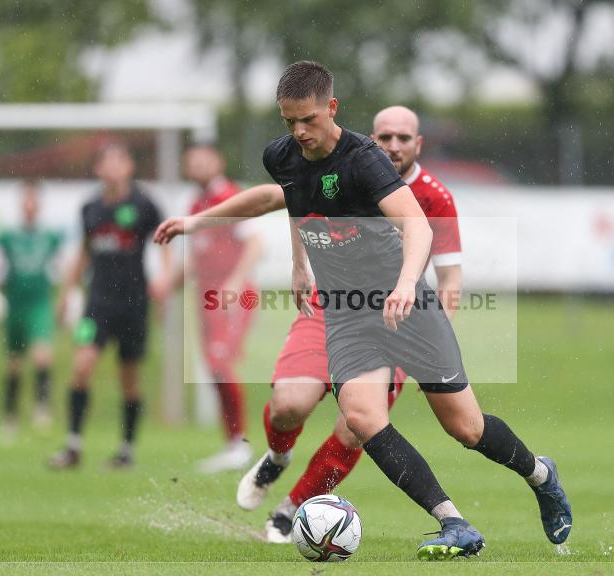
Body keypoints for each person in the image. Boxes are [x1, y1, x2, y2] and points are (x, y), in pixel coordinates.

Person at [156, 61, 571, 560]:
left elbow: (416, 224)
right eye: (289, 121)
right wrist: (202, 224)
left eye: (308, 119)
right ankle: (453, 522)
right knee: (361, 416)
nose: (299, 132)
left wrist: (404, 285)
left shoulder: (364, 159)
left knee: (467, 428)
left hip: (404, 306)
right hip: (346, 313)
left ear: (331, 108)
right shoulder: (282, 155)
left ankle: (540, 474)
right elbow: (280, 198)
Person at [158, 106, 463, 543]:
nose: (393, 146)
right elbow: (275, 198)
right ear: (369, 140)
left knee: (356, 427)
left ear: (419, 144)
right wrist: (200, 224)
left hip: (395, 320)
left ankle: (290, 511)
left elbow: (450, 281)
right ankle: (276, 456)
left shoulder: (435, 199)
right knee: (288, 405)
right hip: (331, 306)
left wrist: (431, 349)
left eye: (403, 138)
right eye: (384, 137)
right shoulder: (349, 167)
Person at [48, 142, 171, 470]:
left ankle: (126, 449)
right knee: (81, 366)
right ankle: (73, 445)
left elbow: (166, 242)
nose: (114, 167)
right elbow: (84, 251)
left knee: (129, 378)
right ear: (98, 169)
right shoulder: (90, 207)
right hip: (97, 302)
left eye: (120, 160)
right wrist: (65, 293)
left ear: (129, 166)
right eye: (107, 161)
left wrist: (164, 280)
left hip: (134, 304)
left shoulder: (144, 204)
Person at [178, 145, 263, 473]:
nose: (197, 166)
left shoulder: (230, 197)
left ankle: (240, 444)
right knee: (214, 368)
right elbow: (197, 253)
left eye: (203, 160)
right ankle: (233, 444)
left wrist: (235, 282)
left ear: (218, 162)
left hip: (230, 297)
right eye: (192, 161)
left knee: (219, 362)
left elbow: (256, 243)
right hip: (206, 297)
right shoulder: (196, 204)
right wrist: (166, 284)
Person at [0, 179, 63, 441]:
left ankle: (41, 408)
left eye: (33, 200)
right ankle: (10, 417)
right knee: (14, 364)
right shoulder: (8, 237)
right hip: (15, 304)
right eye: (26, 200)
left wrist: (69, 296)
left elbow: (64, 265)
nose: (29, 205)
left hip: (39, 303)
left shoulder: (50, 237)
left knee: (42, 356)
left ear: (39, 205)